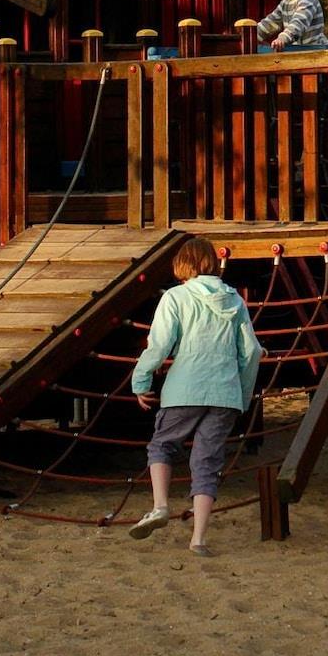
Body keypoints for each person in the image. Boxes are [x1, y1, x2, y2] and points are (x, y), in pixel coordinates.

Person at [127, 236, 264, 556]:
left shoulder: (175, 297)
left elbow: (159, 345)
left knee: (162, 445)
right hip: (225, 393)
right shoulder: (235, 300)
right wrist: (242, 396)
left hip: (184, 388)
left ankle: (160, 506)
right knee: (207, 462)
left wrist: (140, 381)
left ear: (182, 264)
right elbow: (252, 352)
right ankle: (198, 539)